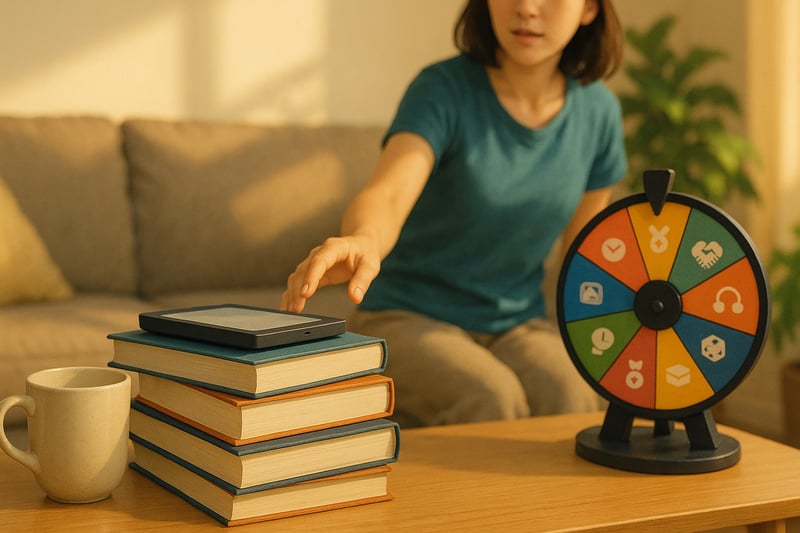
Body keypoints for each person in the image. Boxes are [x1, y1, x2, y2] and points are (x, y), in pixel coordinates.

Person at [282, 0, 626, 427]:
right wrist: (364, 238)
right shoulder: (442, 89)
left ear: (589, 8)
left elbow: (586, 257)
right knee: (491, 396)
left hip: (517, 324)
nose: (527, 8)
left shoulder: (598, 113)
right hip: (406, 315)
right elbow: (390, 192)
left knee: (571, 392)